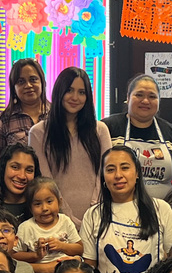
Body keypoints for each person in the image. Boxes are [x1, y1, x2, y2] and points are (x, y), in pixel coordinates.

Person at [29, 67, 112, 227]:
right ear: (59, 91)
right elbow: (46, 181)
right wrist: (66, 215)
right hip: (56, 218)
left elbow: (105, 173)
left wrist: (94, 211)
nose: (75, 97)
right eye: (69, 90)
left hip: (98, 217)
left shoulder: (100, 130)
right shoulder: (38, 133)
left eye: (82, 92)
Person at [102, 74, 172, 199]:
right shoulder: (108, 128)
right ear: (128, 98)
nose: (145, 101)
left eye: (152, 96)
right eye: (139, 95)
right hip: (117, 207)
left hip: (163, 209)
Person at [15, 177, 84, 273]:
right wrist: (36, 256)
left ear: (60, 202)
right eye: (37, 204)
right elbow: (15, 257)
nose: (44, 208)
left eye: (49, 201)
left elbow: (79, 248)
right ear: (30, 208)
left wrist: (62, 246)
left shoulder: (65, 221)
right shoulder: (26, 228)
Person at [0, 58, 50, 158]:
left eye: (33, 79)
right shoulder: (4, 119)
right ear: (14, 88)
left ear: (42, 82)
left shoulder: (57, 114)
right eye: (21, 81)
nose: (28, 85)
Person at [0, 142, 41, 224]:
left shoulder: (46, 210)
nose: (22, 176)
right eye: (15, 167)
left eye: (29, 170)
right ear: (3, 169)